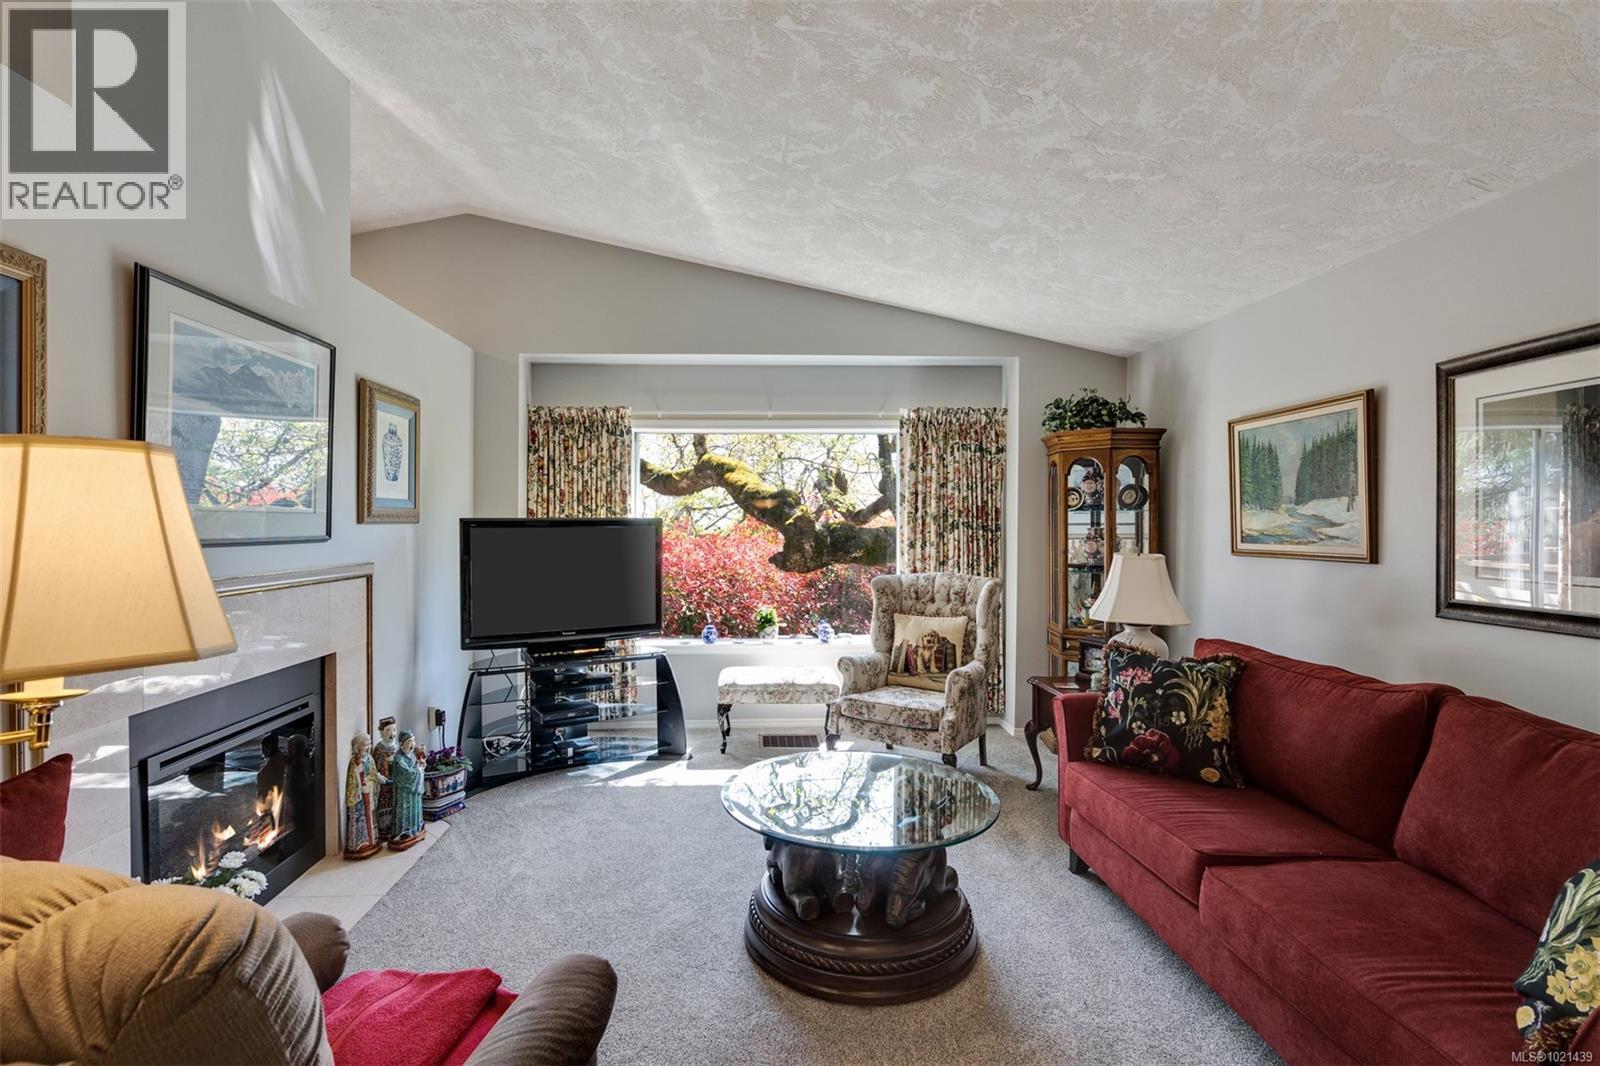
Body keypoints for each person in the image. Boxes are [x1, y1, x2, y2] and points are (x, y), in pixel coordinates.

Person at [343, 732, 384, 859]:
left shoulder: (370, 758)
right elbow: (352, 780)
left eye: (369, 744)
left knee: (370, 817)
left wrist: (374, 779)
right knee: (360, 819)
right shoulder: (354, 761)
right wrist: (360, 788)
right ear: (357, 747)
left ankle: (372, 840)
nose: (368, 747)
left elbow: (372, 773)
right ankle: (358, 844)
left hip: (369, 793)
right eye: (365, 745)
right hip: (359, 797)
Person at [388, 730, 427, 849]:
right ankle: (403, 833)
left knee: (415, 810)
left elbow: (416, 767)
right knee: (404, 811)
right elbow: (407, 775)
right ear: (402, 744)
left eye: (413, 741)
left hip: (413, 794)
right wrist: (419, 770)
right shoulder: (398, 759)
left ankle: (415, 829)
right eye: (410, 741)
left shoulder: (411, 755)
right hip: (404, 794)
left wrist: (420, 765)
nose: (413, 744)